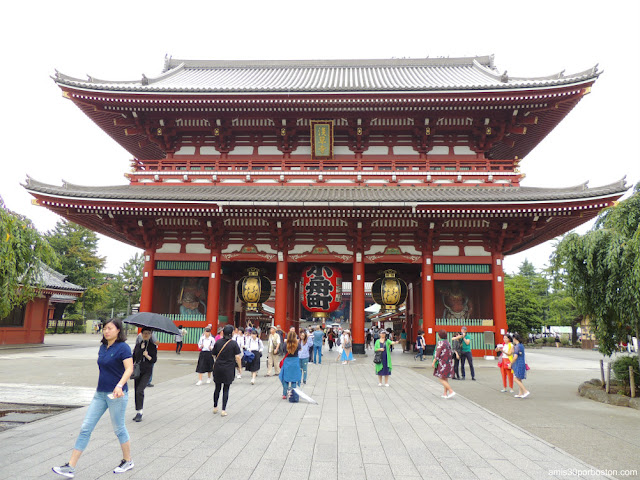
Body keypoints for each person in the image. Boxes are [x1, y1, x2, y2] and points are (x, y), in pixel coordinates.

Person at [52, 319, 134, 478]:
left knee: (119, 428)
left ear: (118, 330)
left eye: (110, 328)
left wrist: (119, 385)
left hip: (117, 394)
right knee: (85, 427)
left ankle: (128, 460)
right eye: (105, 328)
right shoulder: (103, 347)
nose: (106, 331)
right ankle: (70, 466)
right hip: (100, 394)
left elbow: (129, 368)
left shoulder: (123, 348)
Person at [211, 324, 242, 416]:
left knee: (217, 388)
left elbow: (213, 354)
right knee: (226, 388)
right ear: (231, 333)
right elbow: (238, 357)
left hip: (218, 367)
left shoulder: (218, 342)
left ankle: (215, 407)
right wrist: (239, 368)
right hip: (228, 368)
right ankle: (223, 409)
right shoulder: (233, 343)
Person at [132, 328, 157, 422]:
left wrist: (147, 355)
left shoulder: (152, 346)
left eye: (148, 333)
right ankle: (138, 410)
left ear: (151, 335)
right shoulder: (138, 345)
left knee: (140, 390)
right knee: (136, 390)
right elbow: (133, 357)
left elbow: (154, 360)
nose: (146, 335)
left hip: (147, 371)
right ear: (141, 334)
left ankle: (140, 412)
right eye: (144, 333)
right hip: (138, 370)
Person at [432, 329, 455, 399]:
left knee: (440, 378)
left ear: (439, 335)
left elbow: (437, 353)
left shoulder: (440, 343)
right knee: (445, 378)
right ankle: (445, 393)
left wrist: (433, 362)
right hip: (449, 362)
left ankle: (451, 391)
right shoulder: (448, 342)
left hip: (442, 363)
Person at [279, 331, 301, 399]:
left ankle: (284, 394)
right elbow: (300, 349)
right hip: (295, 362)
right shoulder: (298, 344)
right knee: (294, 378)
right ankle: (292, 393)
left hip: (287, 362)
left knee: (286, 378)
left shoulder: (285, 344)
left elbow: (282, 350)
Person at [511, 333, 530, 398]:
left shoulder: (517, 346)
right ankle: (520, 393)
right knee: (519, 379)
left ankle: (525, 391)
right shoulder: (521, 345)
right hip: (522, 363)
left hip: (518, 364)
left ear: (515, 339)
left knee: (515, 379)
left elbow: (515, 356)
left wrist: (511, 363)